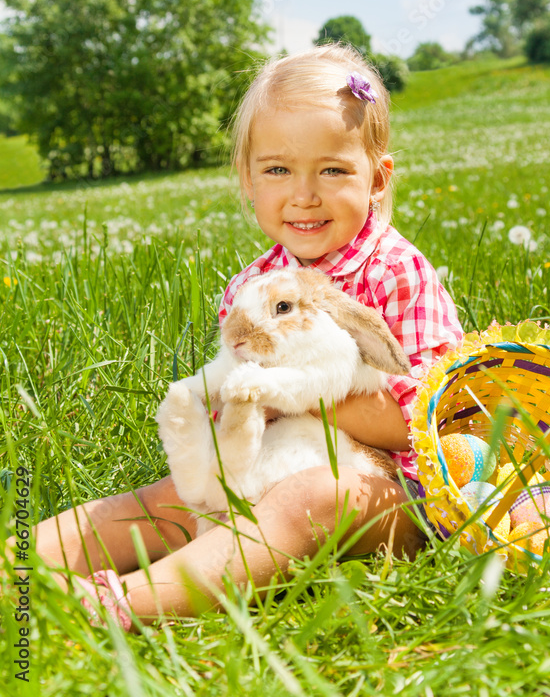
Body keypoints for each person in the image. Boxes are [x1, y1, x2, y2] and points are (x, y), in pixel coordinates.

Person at [29, 43, 463, 628]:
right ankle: (21, 567)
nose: (304, 194)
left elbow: (430, 423)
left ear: (378, 180)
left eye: (333, 170)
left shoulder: (394, 271)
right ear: (249, 181)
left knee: (310, 498)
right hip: (261, 465)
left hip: (395, 496)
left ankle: (119, 605)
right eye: (278, 169)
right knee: (169, 500)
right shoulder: (253, 285)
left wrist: (288, 392)